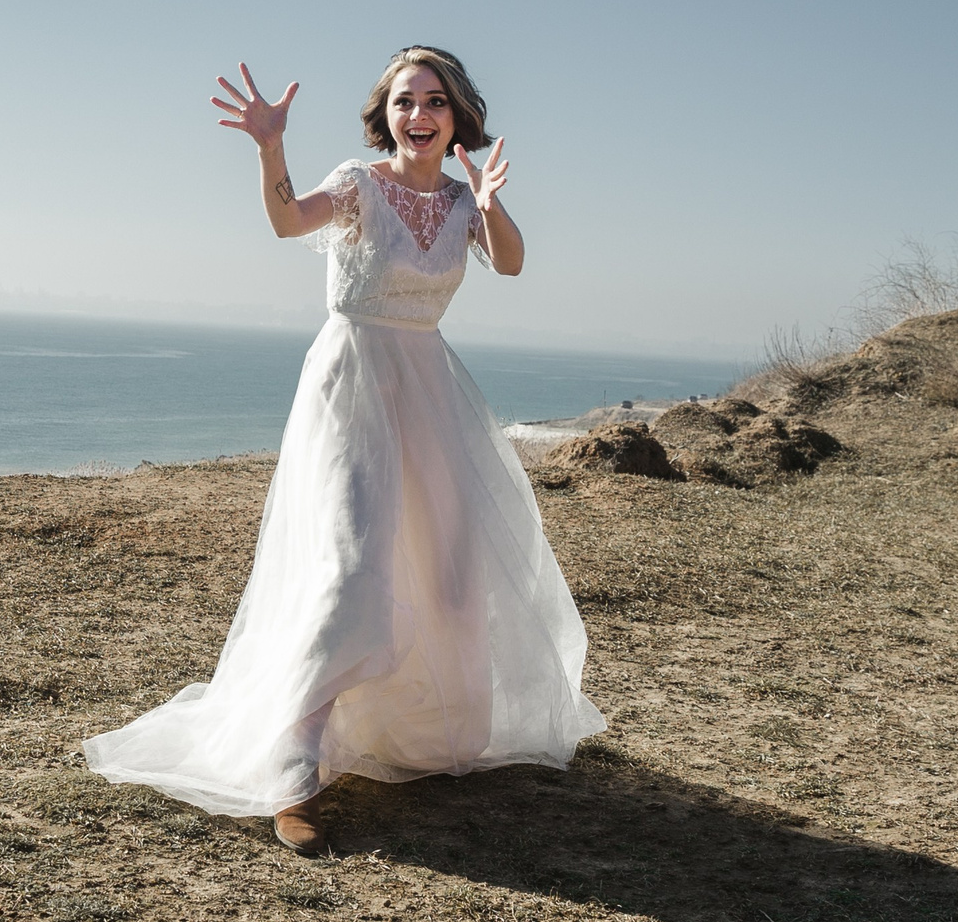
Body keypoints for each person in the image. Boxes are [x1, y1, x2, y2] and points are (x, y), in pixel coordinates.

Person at [80, 48, 603, 854]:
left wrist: (493, 203)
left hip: (431, 391)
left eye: (434, 101)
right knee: (352, 569)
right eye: (404, 101)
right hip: (351, 385)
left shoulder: (466, 202)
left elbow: (512, 260)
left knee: (451, 578)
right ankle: (293, 774)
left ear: (457, 116)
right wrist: (269, 147)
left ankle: (411, 735)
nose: (417, 115)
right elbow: (290, 220)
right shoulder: (360, 185)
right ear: (384, 113)